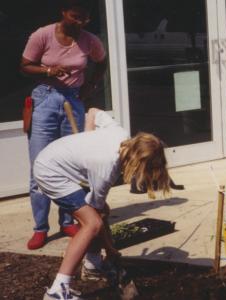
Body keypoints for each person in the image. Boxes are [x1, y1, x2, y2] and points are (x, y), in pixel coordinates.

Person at [34, 108, 170, 299]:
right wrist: (111, 250)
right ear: (139, 162)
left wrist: (86, 141)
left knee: (99, 213)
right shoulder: (106, 168)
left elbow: (93, 112)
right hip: (51, 172)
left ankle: (92, 265)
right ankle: (58, 290)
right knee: (92, 223)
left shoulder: (121, 134)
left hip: (57, 160)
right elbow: (97, 219)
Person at [20, 0, 107, 249]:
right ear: (64, 13)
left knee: (70, 165)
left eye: (84, 19)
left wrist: (90, 86)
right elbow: (24, 65)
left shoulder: (90, 40)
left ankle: (67, 220)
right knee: (40, 165)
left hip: (73, 99)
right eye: (75, 16)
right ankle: (40, 227)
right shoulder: (43, 35)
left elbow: (101, 62)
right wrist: (47, 71)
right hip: (45, 98)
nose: (79, 23)